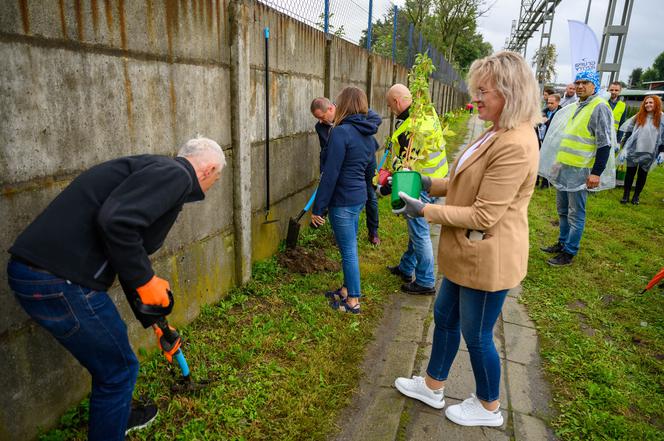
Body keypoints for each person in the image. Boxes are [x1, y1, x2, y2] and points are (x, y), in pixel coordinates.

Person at [6, 137, 225, 440]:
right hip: (58, 280)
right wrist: (148, 283)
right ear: (209, 169)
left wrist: (154, 321)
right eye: (218, 176)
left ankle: (116, 415)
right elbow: (117, 223)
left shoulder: (153, 170)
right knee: (119, 368)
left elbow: (124, 250)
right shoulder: (177, 175)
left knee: (111, 362)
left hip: (38, 275)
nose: (215, 181)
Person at [393, 51, 540, 427]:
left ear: (510, 92)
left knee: (477, 336)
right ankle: (432, 385)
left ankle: (489, 407)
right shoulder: (495, 131)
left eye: (483, 91)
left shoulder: (516, 144)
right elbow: (462, 183)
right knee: (444, 317)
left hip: (488, 256)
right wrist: (428, 184)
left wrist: (424, 210)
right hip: (468, 251)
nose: (475, 98)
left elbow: (484, 214)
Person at [311, 87, 379, 314]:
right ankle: (345, 289)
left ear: (344, 105)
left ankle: (353, 300)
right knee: (349, 247)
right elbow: (370, 170)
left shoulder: (340, 133)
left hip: (342, 201)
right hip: (359, 197)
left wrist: (318, 208)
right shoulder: (368, 133)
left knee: (348, 251)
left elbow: (331, 173)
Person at [540, 70, 613, 266]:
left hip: (581, 171)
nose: (580, 86)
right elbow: (569, 138)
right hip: (565, 168)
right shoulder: (578, 105)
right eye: (577, 82)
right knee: (562, 210)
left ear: (594, 85)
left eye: (585, 82)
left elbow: (604, 144)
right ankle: (562, 242)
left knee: (576, 213)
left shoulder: (599, 107)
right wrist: (558, 162)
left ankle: (569, 252)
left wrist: (596, 172)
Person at [383, 83, 449, 295]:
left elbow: (405, 163)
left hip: (420, 184)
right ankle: (406, 267)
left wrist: (389, 178)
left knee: (419, 233)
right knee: (416, 230)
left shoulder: (410, 127)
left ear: (397, 101)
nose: (391, 111)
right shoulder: (427, 113)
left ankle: (426, 281)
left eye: (390, 106)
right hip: (438, 181)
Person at [310, 97, 382, 245]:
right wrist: (324, 170)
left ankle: (373, 231)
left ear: (330, 109)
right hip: (344, 164)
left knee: (370, 192)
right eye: (318, 119)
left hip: (364, 157)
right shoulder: (321, 127)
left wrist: (358, 132)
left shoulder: (349, 109)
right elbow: (325, 150)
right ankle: (345, 233)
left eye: (322, 117)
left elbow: (376, 118)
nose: (321, 121)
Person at [618, 95, 664, 204]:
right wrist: (624, 148)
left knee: (642, 175)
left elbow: (663, 136)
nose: (648, 104)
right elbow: (628, 132)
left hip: (650, 151)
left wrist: (662, 151)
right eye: (646, 103)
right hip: (634, 149)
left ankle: (636, 196)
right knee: (630, 173)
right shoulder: (638, 116)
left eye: (651, 103)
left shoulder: (661, 118)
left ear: (656, 104)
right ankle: (626, 195)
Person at [536, 94, 562, 188]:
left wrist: (547, 121)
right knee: (538, 159)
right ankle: (536, 180)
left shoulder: (561, 112)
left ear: (558, 102)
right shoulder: (544, 111)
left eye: (552, 103)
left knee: (549, 161)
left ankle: (546, 182)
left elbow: (558, 127)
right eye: (548, 103)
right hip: (541, 138)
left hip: (552, 141)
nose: (549, 105)